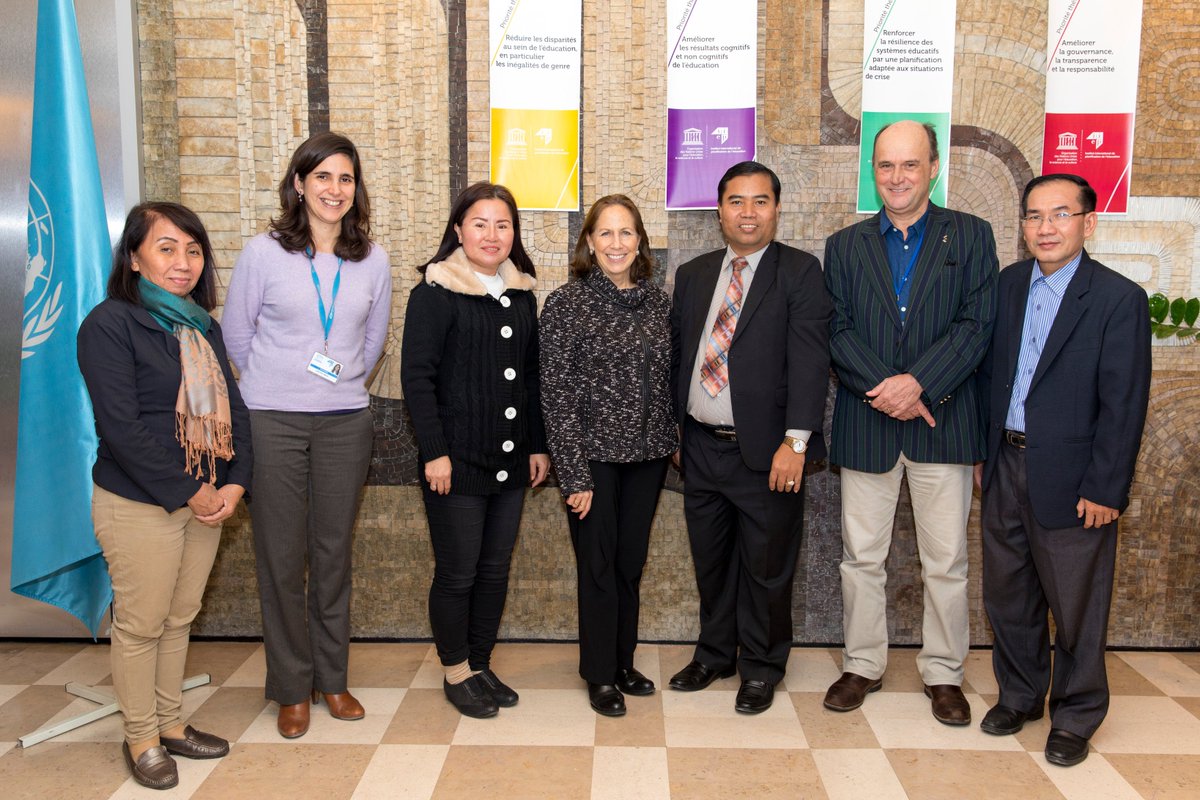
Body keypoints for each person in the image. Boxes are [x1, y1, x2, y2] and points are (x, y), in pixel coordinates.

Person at [822, 120, 997, 725]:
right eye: (886, 166)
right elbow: (836, 328)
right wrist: (888, 389)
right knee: (860, 558)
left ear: (934, 167)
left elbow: (977, 324)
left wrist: (918, 383)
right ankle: (862, 663)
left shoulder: (971, 235)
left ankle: (944, 672)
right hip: (868, 421)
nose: (897, 177)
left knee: (946, 562)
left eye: (910, 164)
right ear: (873, 171)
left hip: (942, 421)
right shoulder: (845, 245)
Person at [976, 174, 1151, 766]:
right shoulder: (1007, 286)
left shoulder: (1118, 299)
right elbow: (991, 376)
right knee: (1008, 594)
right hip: (1005, 463)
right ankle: (1020, 695)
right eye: (1034, 216)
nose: (1045, 227)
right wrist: (982, 453)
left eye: (1060, 214)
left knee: (1077, 606)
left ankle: (1076, 715)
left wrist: (1107, 487)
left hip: (1077, 479)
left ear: (1088, 222)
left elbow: (1125, 402)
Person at [222, 132, 392, 739]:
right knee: (280, 554)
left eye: (346, 178)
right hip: (272, 420)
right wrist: (276, 384)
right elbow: (236, 335)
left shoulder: (372, 259)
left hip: (345, 420)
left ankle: (332, 678)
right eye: (322, 177)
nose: (334, 189)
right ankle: (291, 687)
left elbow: (373, 341)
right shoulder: (263, 253)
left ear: (356, 188)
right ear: (299, 184)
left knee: (332, 555)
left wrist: (336, 383)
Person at [78, 202, 252, 790]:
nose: (183, 262)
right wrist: (191, 490)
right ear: (134, 257)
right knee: (141, 625)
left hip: (206, 499)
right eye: (167, 248)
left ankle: (171, 724)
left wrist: (235, 481)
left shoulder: (201, 326)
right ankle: (142, 738)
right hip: (139, 502)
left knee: (179, 619)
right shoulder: (109, 324)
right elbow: (120, 428)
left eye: (193, 250)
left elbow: (235, 412)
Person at [668, 161, 832, 714]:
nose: (748, 212)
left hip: (769, 453)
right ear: (719, 210)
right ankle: (715, 654)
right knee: (712, 561)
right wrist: (675, 431)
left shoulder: (800, 271)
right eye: (736, 201)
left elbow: (811, 362)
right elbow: (680, 358)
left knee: (767, 567)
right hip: (699, 447)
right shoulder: (694, 274)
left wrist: (797, 442)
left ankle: (761, 666)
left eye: (760, 201)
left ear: (776, 209)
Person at [400, 182, 551, 719]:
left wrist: (537, 446)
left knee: (493, 571)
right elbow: (417, 379)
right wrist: (434, 452)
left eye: (502, 224)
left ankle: (480, 664)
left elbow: (530, 379)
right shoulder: (434, 292)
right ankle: (456, 670)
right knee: (458, 573)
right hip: (456, 462)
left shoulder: (522, 294)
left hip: (511, 461)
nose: (492, 234)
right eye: (480, 223)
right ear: (459, 230)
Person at [540, 195, 677, 716]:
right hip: (592, 459)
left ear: (640, 241)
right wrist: (573, 475)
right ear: (590, 242)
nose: (616, 243)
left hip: (648, 456)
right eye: (605, 233)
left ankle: (622, 662)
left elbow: (668, 378)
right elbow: (555, 395)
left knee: (629, 564)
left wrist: (672, 438)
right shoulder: (566, 304)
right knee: (597, 568)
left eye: (626, 232)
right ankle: (599, 674)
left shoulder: (658, 303)